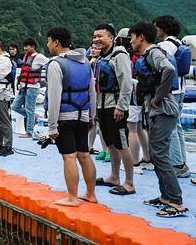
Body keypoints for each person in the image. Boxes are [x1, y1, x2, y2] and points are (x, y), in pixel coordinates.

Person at [130, 22, 188, 218]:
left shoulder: (153, 52)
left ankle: (176, 202)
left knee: (160, 155)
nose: (131, 41)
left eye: (133, 37)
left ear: (141, 37)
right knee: (156, 154)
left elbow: (169, 70)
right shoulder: (150, 54)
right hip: (157, 111)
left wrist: (157, 98)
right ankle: (165, 196)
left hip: (163, 110)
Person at [46, 27, 98, 207]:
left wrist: (52, 126)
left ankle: (72, 198)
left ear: (56, 42)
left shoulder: (56, 64)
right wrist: (91, 117)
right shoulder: (85, 62)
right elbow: (92, 92)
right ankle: (91, 194)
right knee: (84, 155)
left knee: (69, 157)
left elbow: (54, 97)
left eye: (48, 41)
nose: (48, 45)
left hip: (65, 117)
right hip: (83, 115)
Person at [91, 24, 136, 196]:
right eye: (95, 36)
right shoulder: (101, 57)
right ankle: (114, 177)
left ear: (111, 38)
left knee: (121, 144)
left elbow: (126, 83)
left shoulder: (120, 55)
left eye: (100, 36)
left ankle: (129, 183)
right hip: (102, 105)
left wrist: (121, 107)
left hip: (115, 106)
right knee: (110, 143)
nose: (96, 39)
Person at [153, 15, 190, 178]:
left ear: (163, 28)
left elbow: (165, 69)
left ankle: (176, 164)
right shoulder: (179, 43)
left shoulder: (164, 45)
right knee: (178, 126)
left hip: (171, 92)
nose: (155, 30)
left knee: (171, 129)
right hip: (182, 89)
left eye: (156, 27)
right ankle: (182, 162)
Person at [117, 27, 152, 174]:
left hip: (132, 93)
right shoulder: (143, 54)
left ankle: (134, 162)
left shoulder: (127, 55)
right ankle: (148, 159)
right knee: (139, 128)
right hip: (142, 93)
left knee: (131, 129)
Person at [11, 38, 48, 138]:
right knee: (15, 106)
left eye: (27, 46)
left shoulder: (39, 57)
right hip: (24, 87)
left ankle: (29, 132)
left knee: (29, 109)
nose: (25, 48)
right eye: (24, 46)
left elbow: (50, 63)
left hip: (33, 87)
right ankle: (33, 117)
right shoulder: (26, 56)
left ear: (33, 47)